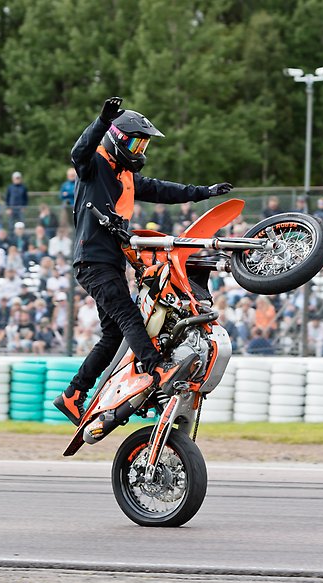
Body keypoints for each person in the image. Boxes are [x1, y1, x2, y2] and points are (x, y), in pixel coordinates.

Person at [54, 96, 233, 425]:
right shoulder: (94, 165)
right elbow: (77, 152)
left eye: (143, 145)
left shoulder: (125, 176)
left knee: (113, 335)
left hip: (109, 263)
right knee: (130, 319)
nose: (139, 151)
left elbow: (164, 190)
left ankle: (72, 395)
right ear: (117, 139)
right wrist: (101, 120)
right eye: (135, 144)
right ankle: (157, 370)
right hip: (92, 261)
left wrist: (204, 192)